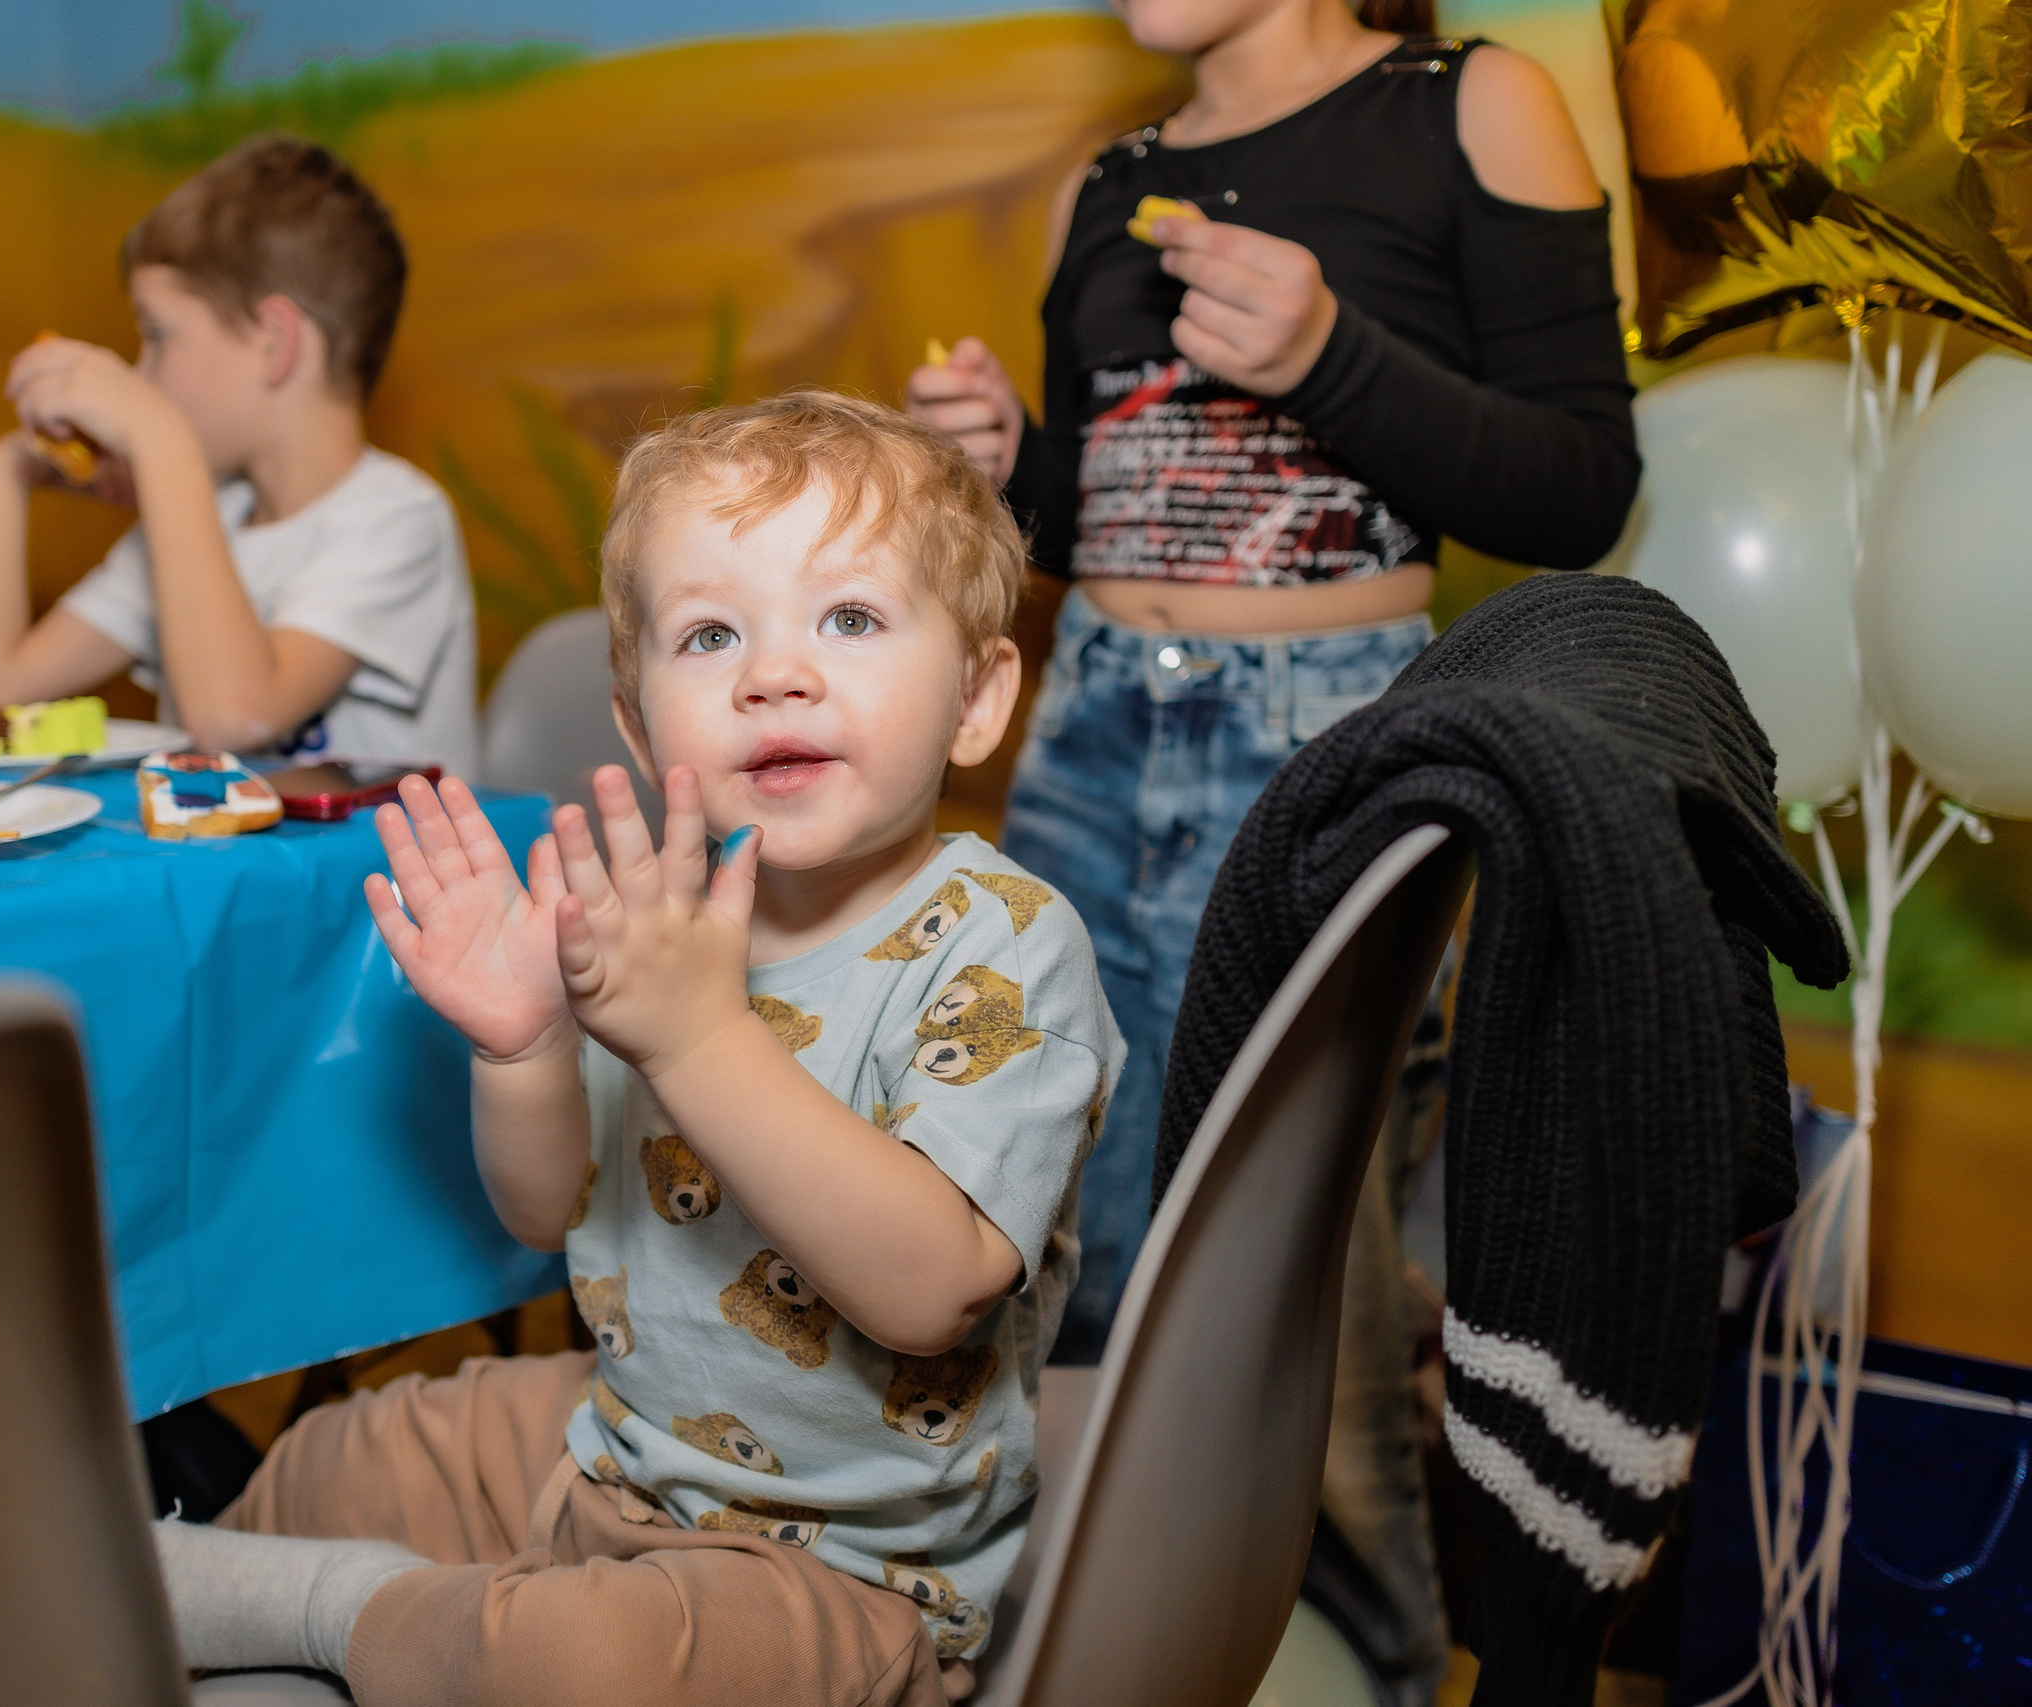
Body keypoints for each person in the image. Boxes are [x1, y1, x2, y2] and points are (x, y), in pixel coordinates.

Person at [150, 392, 1121, 1707]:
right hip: (616, 1444)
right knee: (346, 1444)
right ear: (639, 721)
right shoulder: (650, 925)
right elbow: (547, 1206)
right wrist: (526, 1046)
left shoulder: (1007, 943)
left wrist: (701, 1033)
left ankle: (343, 1612)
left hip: (849, 1576)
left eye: (849, 617)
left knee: (576, 1655)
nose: (774, 671)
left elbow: (931, 1285)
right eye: (712, 632)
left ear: (977, 694)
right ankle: (193, 1590)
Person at [907, 0, 1637, 1694]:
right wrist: (1008, 474)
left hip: (1321, 743)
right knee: (1050, 1207)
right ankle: (1079, 1644)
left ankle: (1368, 1663)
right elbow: (1086, 513)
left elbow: (1580, 488)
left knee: (1300, 1263)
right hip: (1086, 726)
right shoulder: (1117, 177)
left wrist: (1327, 356)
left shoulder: (1476, 105)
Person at [0, 134, 477, 777]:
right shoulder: (209, 515)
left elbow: (236, 718)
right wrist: (8, 472)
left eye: (157, 335)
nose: (144, 377)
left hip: (378, 877)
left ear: (274, 342)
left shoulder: (398, 519)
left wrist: (159, 440)